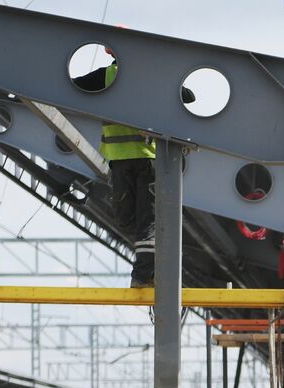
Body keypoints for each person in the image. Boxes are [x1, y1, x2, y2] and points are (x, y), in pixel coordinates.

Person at [75, 46, 195, 287]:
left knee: (144, 222)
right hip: (137, 160)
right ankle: (150, 264)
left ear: (110, 52)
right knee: (132, 219)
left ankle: (143, 275)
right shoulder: (152, 77)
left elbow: (68, 86)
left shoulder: (104, 78)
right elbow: (189, 96)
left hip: (135, 160)